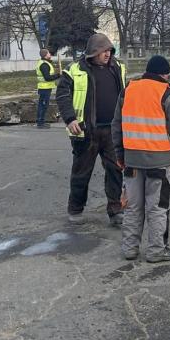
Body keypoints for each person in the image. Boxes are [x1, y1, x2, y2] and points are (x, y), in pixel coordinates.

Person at [112, 55, 170, 263]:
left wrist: (120, 155)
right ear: (164, 74)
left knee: (133, 206)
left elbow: (116, 126)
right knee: (157, 208)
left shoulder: (128, 90)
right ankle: (156, 250)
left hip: (132, 162)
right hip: (160, 163)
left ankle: (129, 249)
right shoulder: (167, 93)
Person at [54, 33, 127, 225]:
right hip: (85, 132)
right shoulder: (75, 70)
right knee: (81, 172)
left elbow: (125, 94)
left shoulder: (118, 68)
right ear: (93, 52)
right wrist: (70, 119)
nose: (107, 55)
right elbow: (62, 95)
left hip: (112, 131)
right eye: (104, 51)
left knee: (115, 170)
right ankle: (75, 209)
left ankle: (115, 210)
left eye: (109, 51)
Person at [35, 48, 58, 129]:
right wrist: (58, 75)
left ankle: (41, 121)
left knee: (43, 104)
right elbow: (47, 78)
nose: (50, 54)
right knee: (43, 105)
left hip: (45, 88)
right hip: (44, 88)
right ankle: (40, 122)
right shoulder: (44, 65)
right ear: (45, 55)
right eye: (48, 53)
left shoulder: (45, 63)